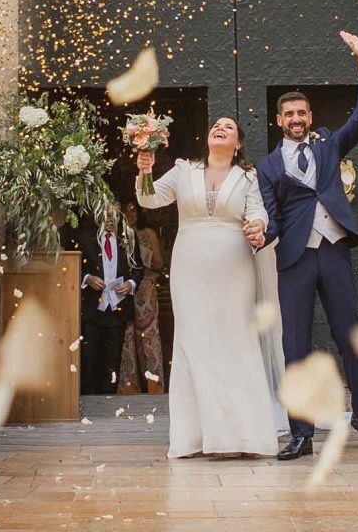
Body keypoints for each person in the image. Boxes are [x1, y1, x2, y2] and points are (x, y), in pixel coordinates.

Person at [252, 30, 358, 460]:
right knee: (295, 346)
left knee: (350, 338)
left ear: (310, 116)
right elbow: (273, 218)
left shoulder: (330, 147)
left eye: (301, 112)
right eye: (289, 114)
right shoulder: (269, 166)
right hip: (293, 260)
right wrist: (262, 234)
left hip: (333, 252)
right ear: (280, 121)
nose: (296, 118)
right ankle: (301, 433)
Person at [135, 116, 279, 458]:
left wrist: (257, 226)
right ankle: (196, 438)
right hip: (190, 268)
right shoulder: (184, 171)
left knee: (235, 340)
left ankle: (244, 436)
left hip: (234, 267)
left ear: (238, 143)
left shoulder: (248, 177)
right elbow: (149, 200)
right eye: (216, 125)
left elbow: (258, 212)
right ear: (207, 135)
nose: (220, 129)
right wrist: (145, 171)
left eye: (229, 128)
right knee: (194, 342)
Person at [71, 202, 143, 395]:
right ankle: (88, 400)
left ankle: (109, 401)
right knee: (89, 357)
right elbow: (71, 267)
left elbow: (138, 270)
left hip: (117, 308)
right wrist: (87, 278)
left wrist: (131, 284)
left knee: (113, 359)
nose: (110, 220)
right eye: (107, 216)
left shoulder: (128, 238)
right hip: (92, 310)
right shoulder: (84, 237)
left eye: (114, 216)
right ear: (98, 215)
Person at [118, 199, 166, 394]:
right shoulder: (119, 236)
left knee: (149, 336)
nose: (130, 215)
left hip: (145, 288)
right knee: (127, 336)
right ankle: (128, 386)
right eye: (126, 211)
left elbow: (159, 263)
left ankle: (155, 385)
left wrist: (144, 259)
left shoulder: (148, 234)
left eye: (133, 211)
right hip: (123, 289)